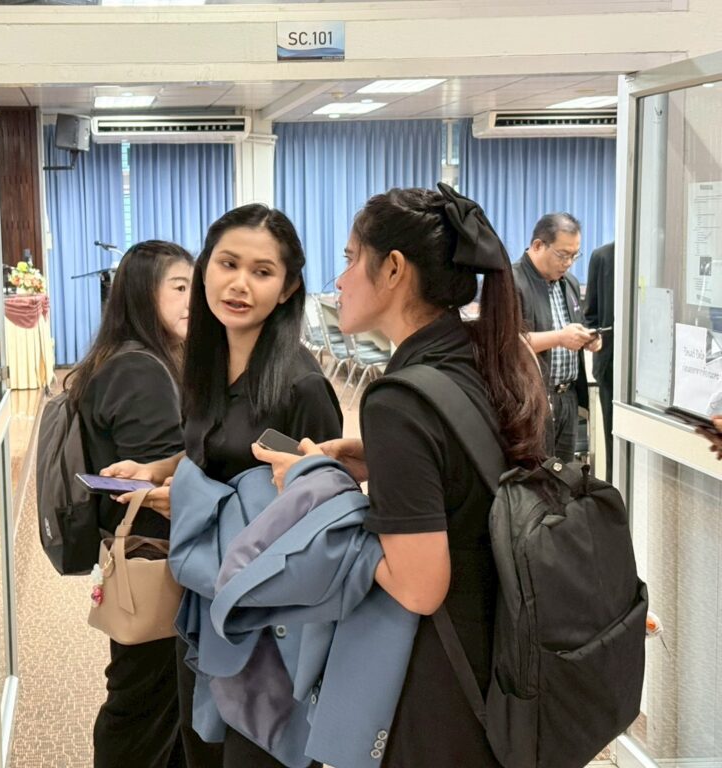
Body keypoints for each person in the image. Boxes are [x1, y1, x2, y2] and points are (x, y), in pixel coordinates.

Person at [252, 185, 550, 767]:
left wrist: (317, 491)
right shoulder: (489, 356)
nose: (340, 282)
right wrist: (378, 459)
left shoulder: (399, 400)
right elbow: (469, 467)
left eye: (348, 259)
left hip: (447, 674)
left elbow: (419, 585)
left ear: (392, 268)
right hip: (508, 646)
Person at [104, 203, 343, 768]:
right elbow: (214, 449)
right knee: (201, 748)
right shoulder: (205, 365)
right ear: (205, 268)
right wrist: (158, 469)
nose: (239, 284)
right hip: (205, 601)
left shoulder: (301, 388)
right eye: (228, 264)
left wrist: (190, 504)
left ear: (287, 289)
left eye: (262, 272)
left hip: (269, 624)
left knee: (255, 754)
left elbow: (319, 523)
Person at [64, 239, 194, 768]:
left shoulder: (122, 357)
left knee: (147, 701)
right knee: (145, 705)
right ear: (143, 294)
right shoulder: (141, 370)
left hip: (136, 561)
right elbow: (156, 491)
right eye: (180, 288)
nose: (194, 301)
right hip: (154, 563)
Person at [513, 213, 601, 461]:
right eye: (563, 255)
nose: (569, 263)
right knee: (536, 472)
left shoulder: (568, 282)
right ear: (538, 245)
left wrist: (588, 338)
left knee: (565, 474)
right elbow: (509, 341)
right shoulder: (512, 280)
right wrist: (560, 338)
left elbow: (576, 325)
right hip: (533, 399)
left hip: (567, 398)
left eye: (574, 255)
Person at [584, 241, 615, 479]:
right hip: (611, 366)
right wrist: (594, 337)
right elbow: (590, 315)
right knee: (613, 442)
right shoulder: (604, 256)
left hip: (650, 371)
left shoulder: (656, 251)